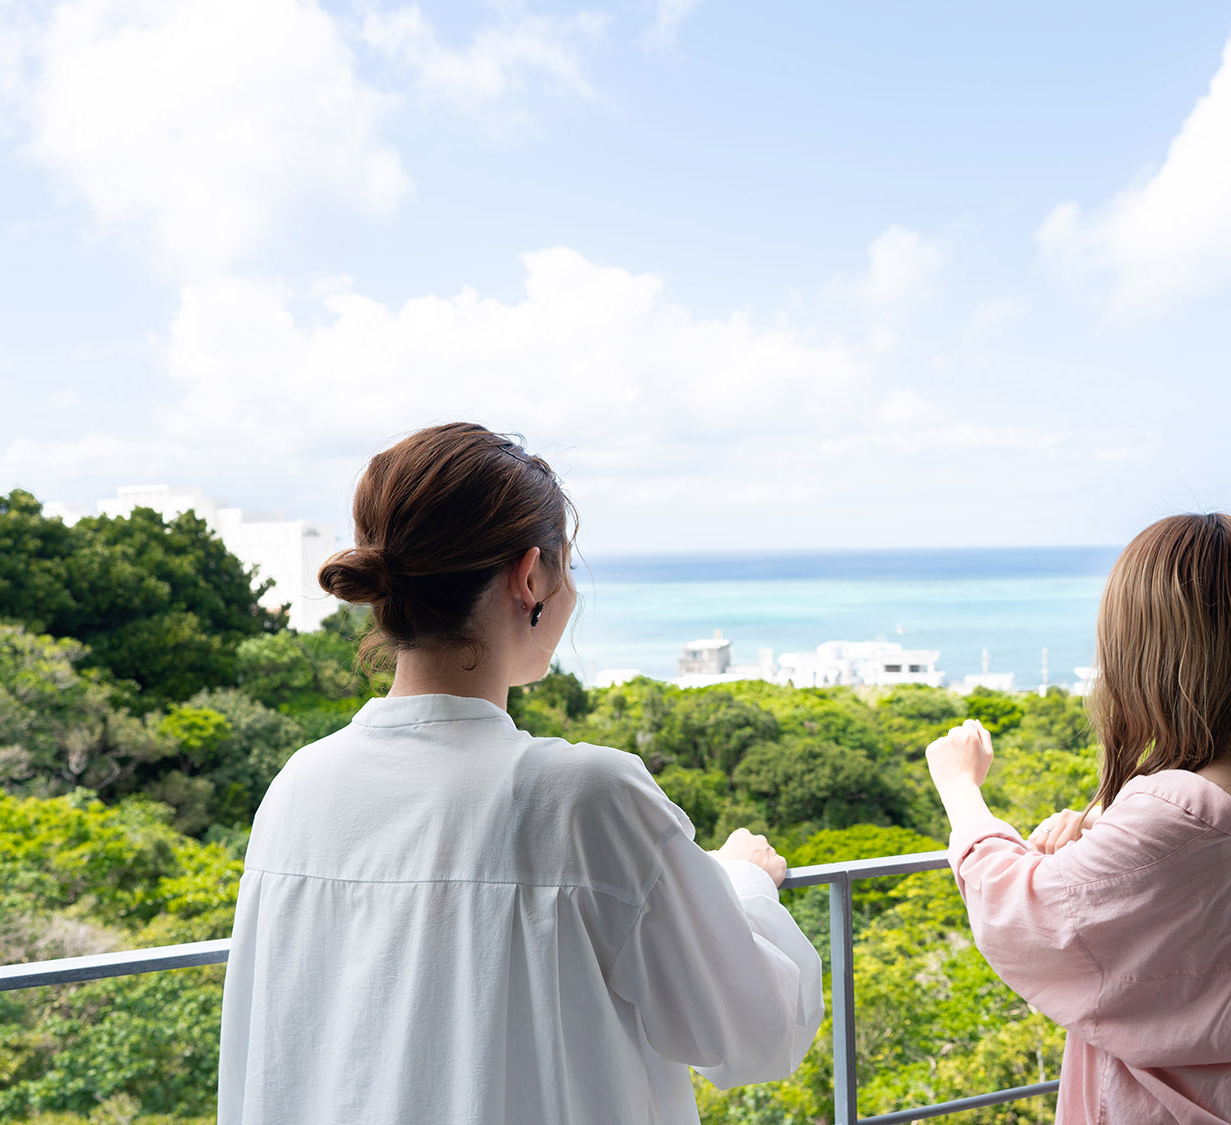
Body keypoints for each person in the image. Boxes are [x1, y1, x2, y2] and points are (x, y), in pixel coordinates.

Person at [218, 423, 821, 1124]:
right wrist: (743, 882)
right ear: (531, 574)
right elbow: (755, 1034)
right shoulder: (584, 797)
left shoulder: (299, 787)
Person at [925, 513, 1231, 1124]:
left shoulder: (1172, 816)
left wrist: (961, 789)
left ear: (1143, 655)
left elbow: (1021, 910)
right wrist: (1106, 827)